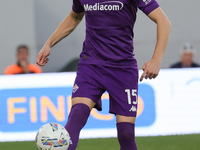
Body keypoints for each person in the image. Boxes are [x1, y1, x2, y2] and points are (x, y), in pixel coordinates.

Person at [36, 0, 171, 149]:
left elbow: (163, 21)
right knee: (77, 114)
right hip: (91, 65)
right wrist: (49, 43)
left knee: (126, 134)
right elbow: (74, 17)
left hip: (123, 69)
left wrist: (156, 60)